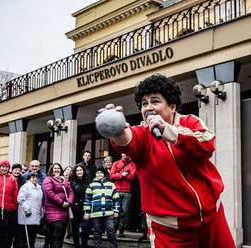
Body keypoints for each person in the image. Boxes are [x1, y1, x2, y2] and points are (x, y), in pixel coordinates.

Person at [98, 74, 235, 247]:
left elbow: (207, 144)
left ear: (172, 106)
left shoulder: (190, 122)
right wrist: (117, 131)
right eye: (144, 103)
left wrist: (170, 132)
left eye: (155, 101)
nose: (148, 108)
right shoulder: (143, 134)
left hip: (213, 219)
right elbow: (128, 140)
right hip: (169, 231)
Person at [83, 166, 120, 248]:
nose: (99, 174)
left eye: (101, 172)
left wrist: (116, 211)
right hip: (96, 213)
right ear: (95, 174)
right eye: (97, 173)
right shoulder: (91, 185)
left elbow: (116, 199)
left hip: (109, 213)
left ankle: (113, 246)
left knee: (111, 230)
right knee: (97, 232)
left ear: (104, 174)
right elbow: (87, 200)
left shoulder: (111, 185)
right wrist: (87, 212)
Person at [43, 163, 74, 248]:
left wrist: (69, 202)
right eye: (55, 168)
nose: (57, 170)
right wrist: (61, 202)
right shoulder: (48, 179)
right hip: (52, 210)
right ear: (51, 170)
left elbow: (70, 191)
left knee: (61, 234)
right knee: (57, 232)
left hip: (64, 211)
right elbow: (49, 193)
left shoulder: (64, 180)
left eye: (58, 168)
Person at [110, 153, 136, 237]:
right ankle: (113, 229)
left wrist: (121, 175)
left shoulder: (132, 164)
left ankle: (121, 229)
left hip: (127, 191)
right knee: (115, 210)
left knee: (124, 211)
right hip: (116, 190)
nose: (126, 155)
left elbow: (132, 177)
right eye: (124, 153)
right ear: (121, 154)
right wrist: (122, 175)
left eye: (127, 153)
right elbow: (111, 176)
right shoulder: (116, 163)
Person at [17, 172, 43, 248]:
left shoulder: (39, 188)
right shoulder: (25, 187)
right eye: (33, 177)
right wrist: (27, 209)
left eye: (36, 177)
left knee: (32, 237)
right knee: (25, 237)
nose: (35, 179)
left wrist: (41, 212)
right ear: (28, 178)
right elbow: (20, 199)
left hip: (35, 216)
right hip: (27, 216)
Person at [70, 165, 88, 248]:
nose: (79, 172)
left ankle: (84, 244)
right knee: (75, 228)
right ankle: (76, 245)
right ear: (75, 172)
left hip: (86, 207)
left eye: (81, 170)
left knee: (85, 228)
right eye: (77, 170)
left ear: (83, 171)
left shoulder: (88, 180)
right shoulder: (72, 181)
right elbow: (75, 192)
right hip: (75, 208)